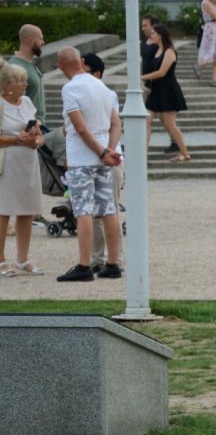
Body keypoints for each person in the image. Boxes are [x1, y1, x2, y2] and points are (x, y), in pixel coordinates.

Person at [54, 46, 125, 283]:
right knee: (108, 208)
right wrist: (110, 150)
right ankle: (113, 263)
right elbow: (116, 123)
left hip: (83, 158)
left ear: (62, 66)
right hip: (104, 157)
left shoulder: (70, 88)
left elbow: (80, 128)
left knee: (83, 209)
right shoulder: (102, 86)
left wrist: (102, 151)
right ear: (82, 61)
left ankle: (85, 265)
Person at [81, 52, 124, 276]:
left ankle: (115, 259)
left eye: (85, 70)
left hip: (108, 157)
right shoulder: (80, 92)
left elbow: (115, 125)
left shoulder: (106, 94)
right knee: (93, 212)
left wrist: (108, 152)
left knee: (109, 210)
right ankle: (97, 258)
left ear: (97, 74)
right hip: (93, 157)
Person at [0, 62, 44, 277]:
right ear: (7, 85)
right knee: (4, 211)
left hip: (29, 161)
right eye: (21, 81)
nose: (25, 84)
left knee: (27, 210)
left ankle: (22, 258)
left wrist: (36, 138)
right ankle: (0, 260)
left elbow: (38, 130)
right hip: (7, 163)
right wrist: (18, 139)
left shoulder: (26, 102)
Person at [141, 23, 192, 162]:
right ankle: (142, 152)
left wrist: (140, 78)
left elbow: (161, 72)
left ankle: (184, 152)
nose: (150, 36)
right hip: (156, 90)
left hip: (168, 91)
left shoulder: (169, 51)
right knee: (147, 120)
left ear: (160, 35)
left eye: (153, 33)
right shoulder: (157, 50)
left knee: (170, 123)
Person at [10, 25, 45, 124]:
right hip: (26, 128)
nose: (43, 42)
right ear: (30, 41)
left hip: (37, 126)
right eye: (40, 39)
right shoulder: (15, 67)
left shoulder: (31, 63)